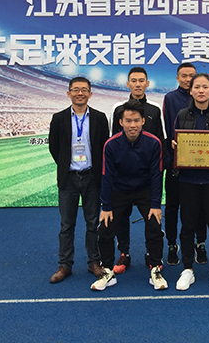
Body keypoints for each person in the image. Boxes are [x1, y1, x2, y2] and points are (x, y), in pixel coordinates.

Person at [90, 99, 167, 291]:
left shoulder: (154, 142)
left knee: (154, 226)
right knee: (105, 229)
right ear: (121, 122)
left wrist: (156, 205)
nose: (133, 125)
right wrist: (106, 206)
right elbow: (107, 176)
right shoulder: (111, 145)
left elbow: (157, 175)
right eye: (128, 121)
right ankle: (108, 271)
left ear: (143, 121)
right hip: (119, 190)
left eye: (136, 120)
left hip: (144, 190)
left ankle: (156, 269)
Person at [172, 73, 209, 291]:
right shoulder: (182, 115)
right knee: (188, 226)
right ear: (190, 91)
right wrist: (175, 147)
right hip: (188, 179)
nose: (201, 91)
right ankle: (187, 269)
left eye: (205, 87)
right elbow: (175, 141)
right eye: (196, 87)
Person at [48, 77, 109, 283]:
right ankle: (65, 265)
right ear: (69, 93)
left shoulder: (100, 118)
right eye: (75, 90)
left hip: (92, 177)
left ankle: (94, 262)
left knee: (93, 224)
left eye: (84, 90)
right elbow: (54, 148)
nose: (80, 93)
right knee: (67, 225)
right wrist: (67, 166)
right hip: (69, 179)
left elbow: (103, 147)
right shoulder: (59, 118)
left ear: (90, 94)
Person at [109, 67, 164, 274]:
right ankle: (124, 252)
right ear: (128, 84)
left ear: (147, 84)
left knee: (152, 221)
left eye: (142, 80)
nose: (138, 84)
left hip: (146, 179)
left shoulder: (155, 110)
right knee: (121, 219)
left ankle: (152, 255)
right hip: (122, 180)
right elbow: (113, 141)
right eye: (134, 80)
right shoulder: (118, 109)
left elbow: (161, 140)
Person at [162, 63, 207, 266]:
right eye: (184, 76)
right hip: (177, 162)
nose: (188, 79)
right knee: (172, 206)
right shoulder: (171, 98)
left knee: (200, 207)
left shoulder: (205, 97)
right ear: (177, 78)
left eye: (191, 76)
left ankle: (200, 242)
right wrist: (172, 158)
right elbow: (169, 129)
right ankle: (172, 244)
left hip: (201, 163)